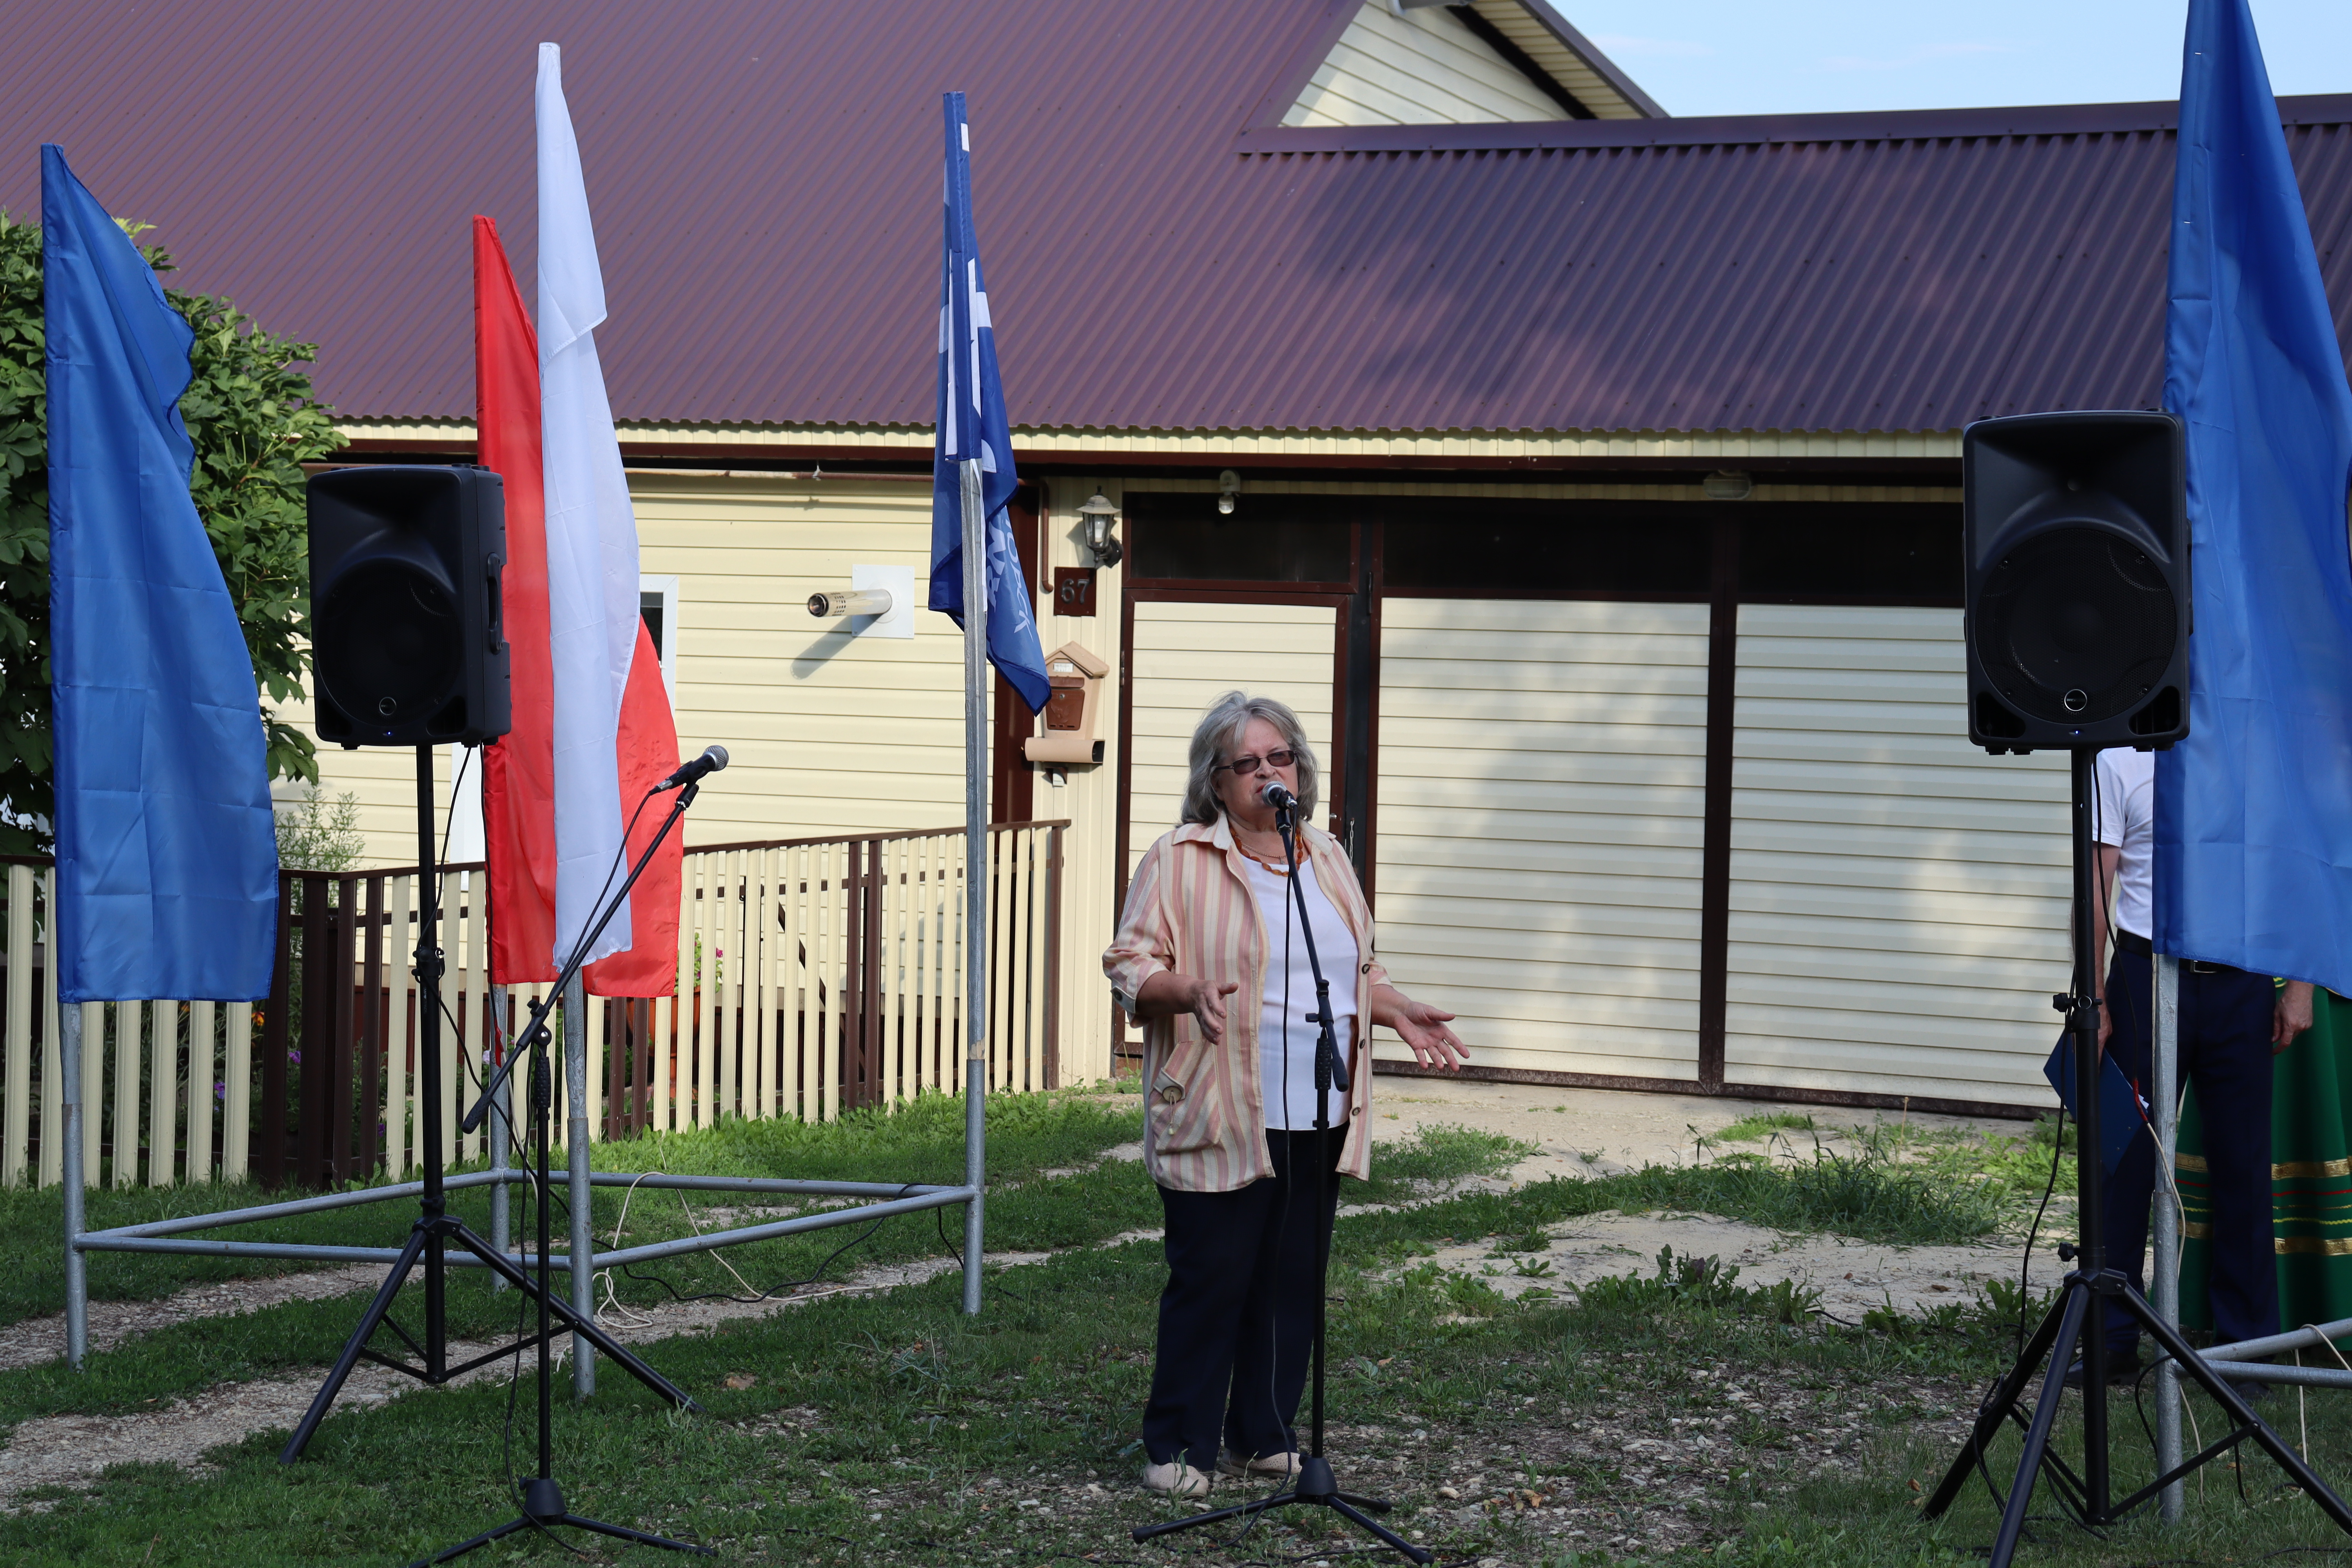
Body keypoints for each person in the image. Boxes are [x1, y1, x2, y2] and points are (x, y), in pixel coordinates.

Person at [1104, 691, 1470, 1500]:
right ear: (1217, 780)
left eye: (1283, 758)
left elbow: (1354, 970)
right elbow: (1128, 963)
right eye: (1250, 763)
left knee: (1291, 1279)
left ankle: (1263, 1435)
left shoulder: (1326, 856)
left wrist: (1398, 1006)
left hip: (1317, 1107)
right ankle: (1178, 1445)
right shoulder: (1179, 857)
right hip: (1220, 1104)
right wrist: (1183, 985)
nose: (1272, 773)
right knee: (1213, 1277)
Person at [2084, 744, 2311, 1387]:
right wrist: (2092, 988)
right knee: (2122, 1158)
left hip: (2239, 980)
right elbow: (2100, 881)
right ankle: (2112, 1341)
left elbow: (2296, 868)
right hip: (2142, 975)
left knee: (2242, 1164)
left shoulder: (2260, 749)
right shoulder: (2118, 759)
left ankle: (2245, 1353)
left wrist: (2299, 984)